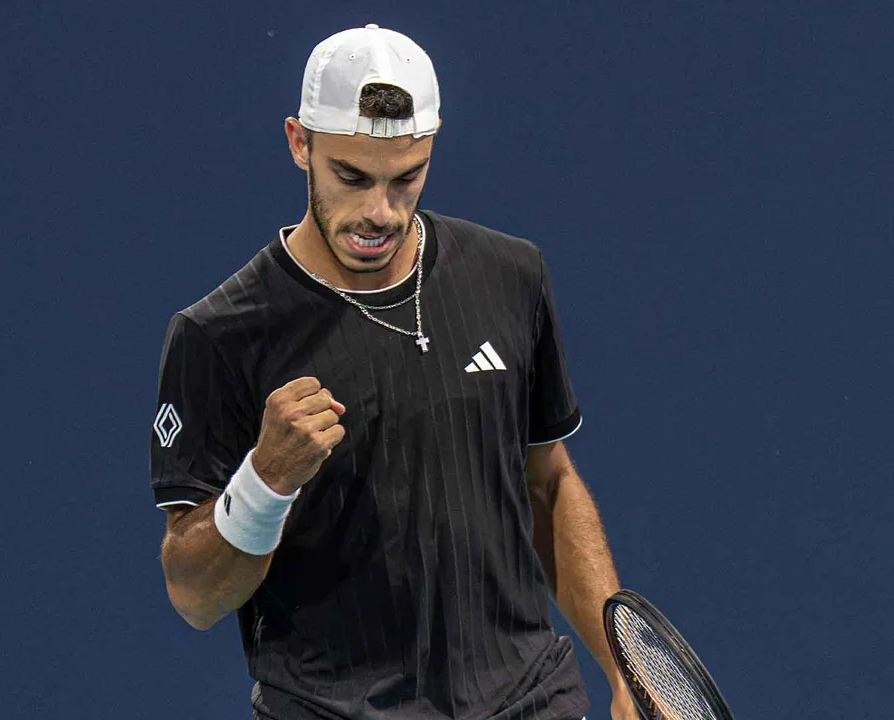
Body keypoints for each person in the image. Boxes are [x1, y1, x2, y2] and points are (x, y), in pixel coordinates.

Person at [151, 23, 640, 720]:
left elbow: (549, 484)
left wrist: (626, 668)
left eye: (406, 178)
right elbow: (195, 597)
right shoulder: (217, 337)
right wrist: (264, 481)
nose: (379, 212)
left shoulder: (511, 275)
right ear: (300, 144)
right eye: (352, 177)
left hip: (530, 701)